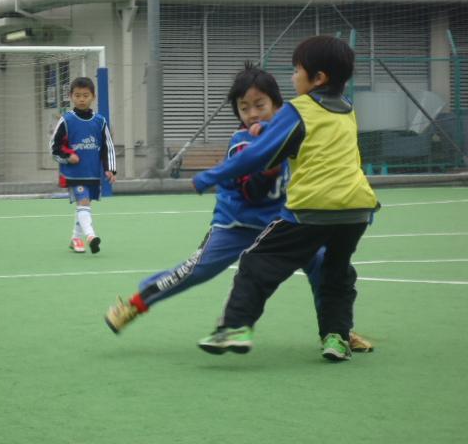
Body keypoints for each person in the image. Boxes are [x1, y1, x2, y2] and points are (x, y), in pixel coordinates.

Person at [104, 63, 373, 353]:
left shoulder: (295, 129)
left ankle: (337, 332)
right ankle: (134, 304)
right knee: (197, 270)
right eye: (244, 108)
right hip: (237, 225)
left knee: (324, 266)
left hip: (285, 224)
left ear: (278, 105)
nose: (252, 114)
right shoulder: (242, 140)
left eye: (260, 105)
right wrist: (263, 170)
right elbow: (251, 189)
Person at [193, 36, 379, 362]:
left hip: (311, 209)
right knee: (336, 272)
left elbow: (257, 157)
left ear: (318, 78)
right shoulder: (348, 109)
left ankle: (235, 327)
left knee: (256, 262)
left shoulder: (298, 109)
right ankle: (335, 338)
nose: (292, 77)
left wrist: (210, 176)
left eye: (297, 70)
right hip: (357, 209)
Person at [50, 77, 116, 254]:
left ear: (93, 97)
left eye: (85, 95)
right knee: (84, 202)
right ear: (71, 97)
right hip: (73, 174)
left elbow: (107, 147)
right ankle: (91, 236)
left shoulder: (100, 121)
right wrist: (67, 156)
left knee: (84, 206)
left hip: (93, 173)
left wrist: (110, 169)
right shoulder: (66, 121)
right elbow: (53, 148)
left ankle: (75, 238)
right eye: (77, 95)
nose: (81, 99)